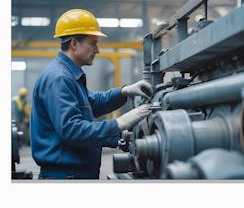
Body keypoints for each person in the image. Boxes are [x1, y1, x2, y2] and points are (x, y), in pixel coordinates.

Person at [30, 9, 153, 179]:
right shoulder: (59, 78)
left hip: (73, 174)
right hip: (66, 177)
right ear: (74, 43)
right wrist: (118, 123)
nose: (97, 50)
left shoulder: (69, 75)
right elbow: (71, 129)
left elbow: (92, 102)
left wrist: (125, 91)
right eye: (93, 43)